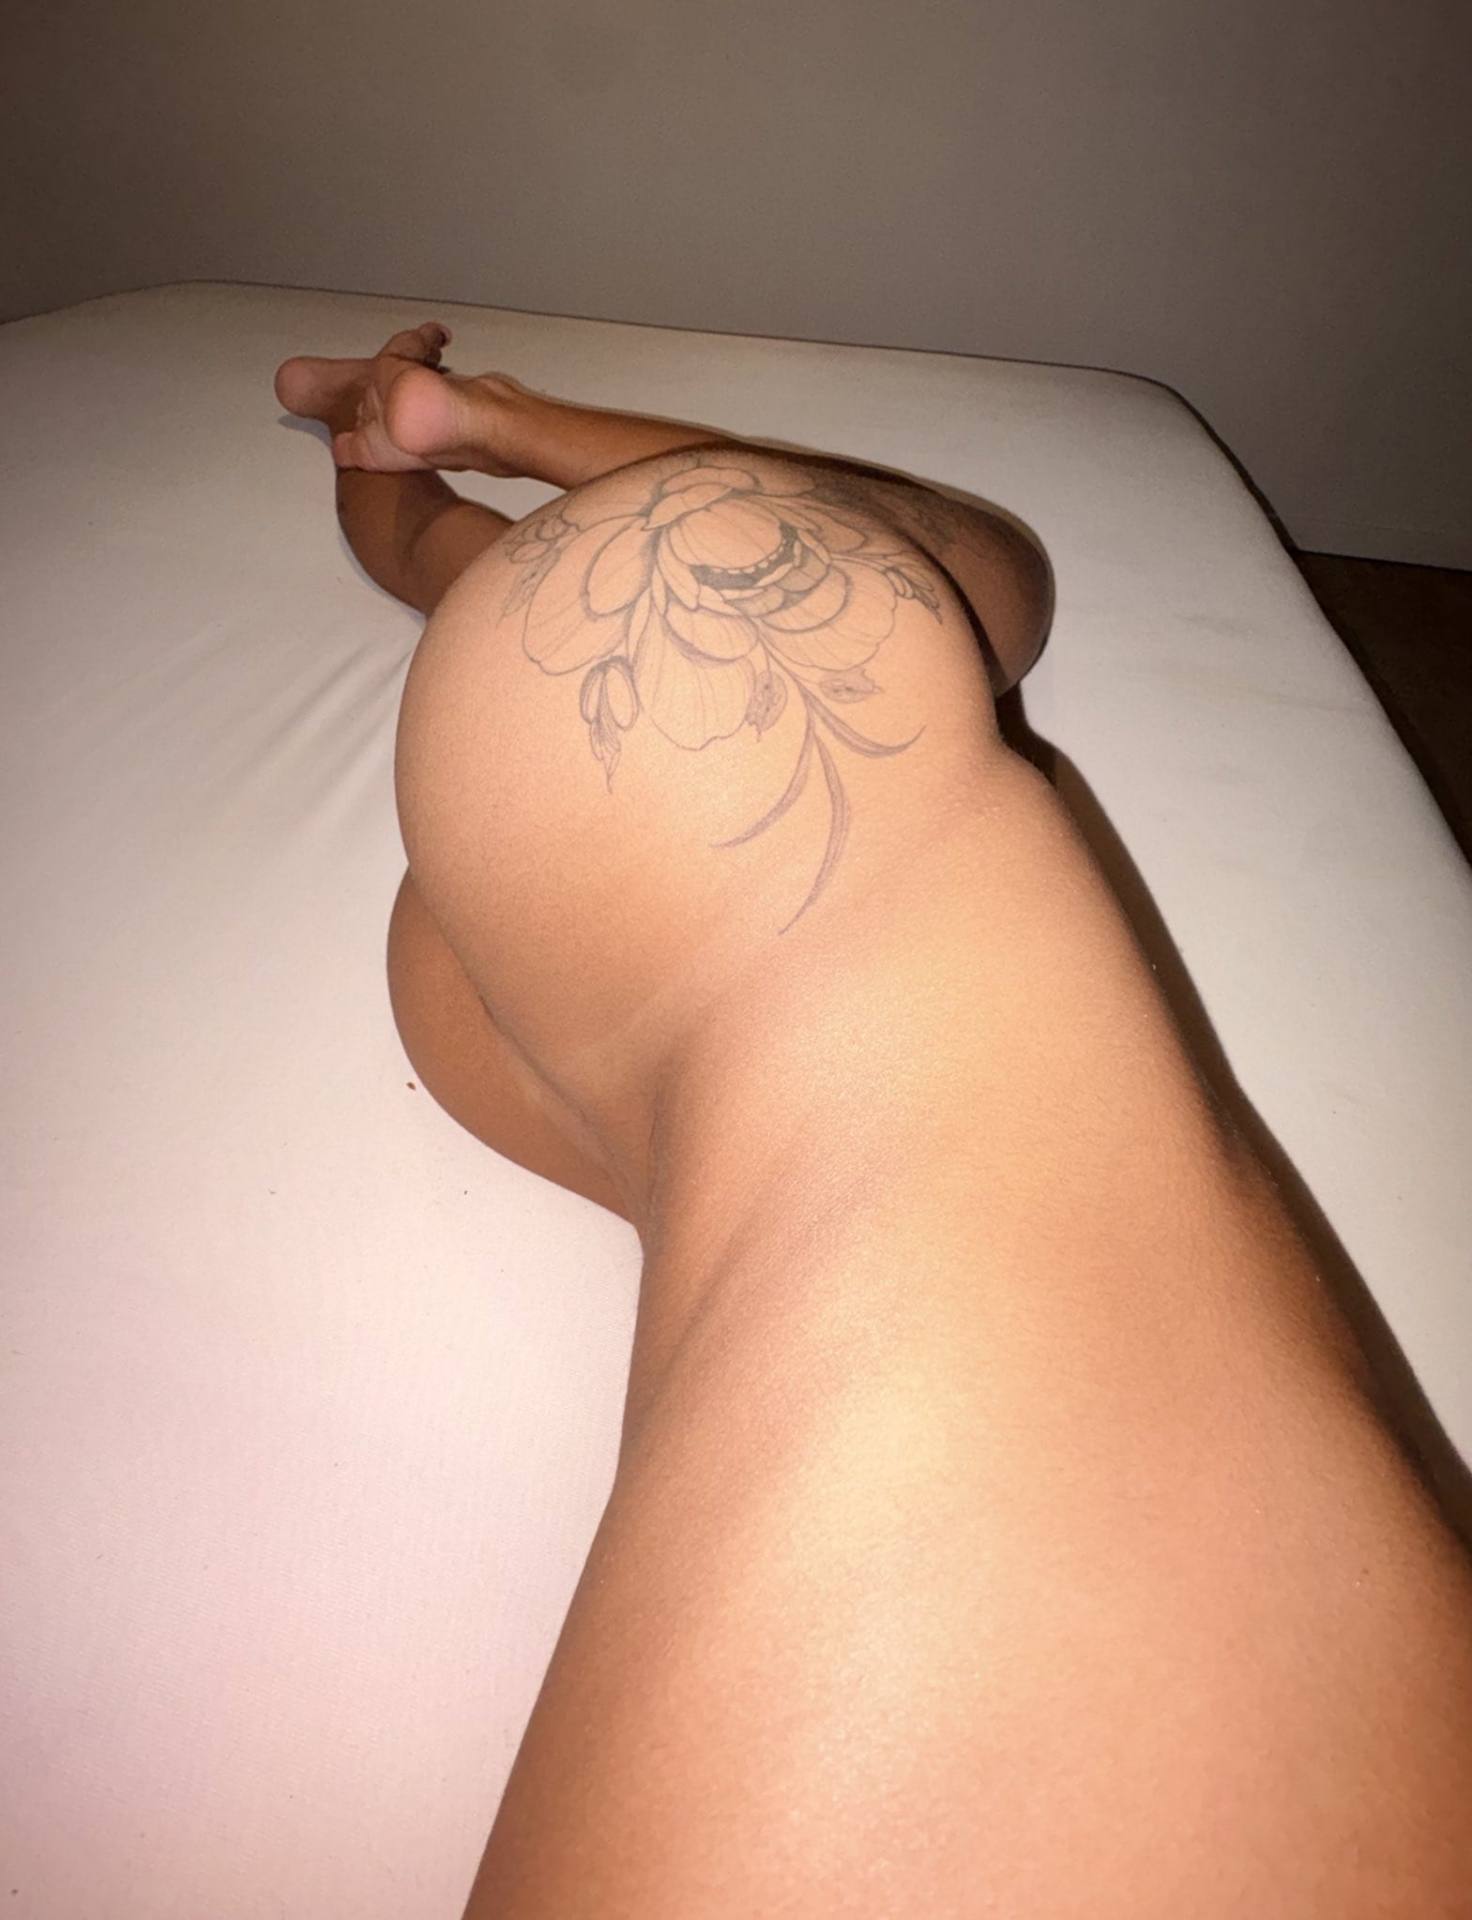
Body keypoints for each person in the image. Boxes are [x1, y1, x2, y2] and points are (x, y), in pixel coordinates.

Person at [275, 322, 1472, 1918]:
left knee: (972, 580)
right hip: (567, 1007)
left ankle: (443, 422)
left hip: (613, 903)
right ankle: (420, 426)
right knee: (900, 584)